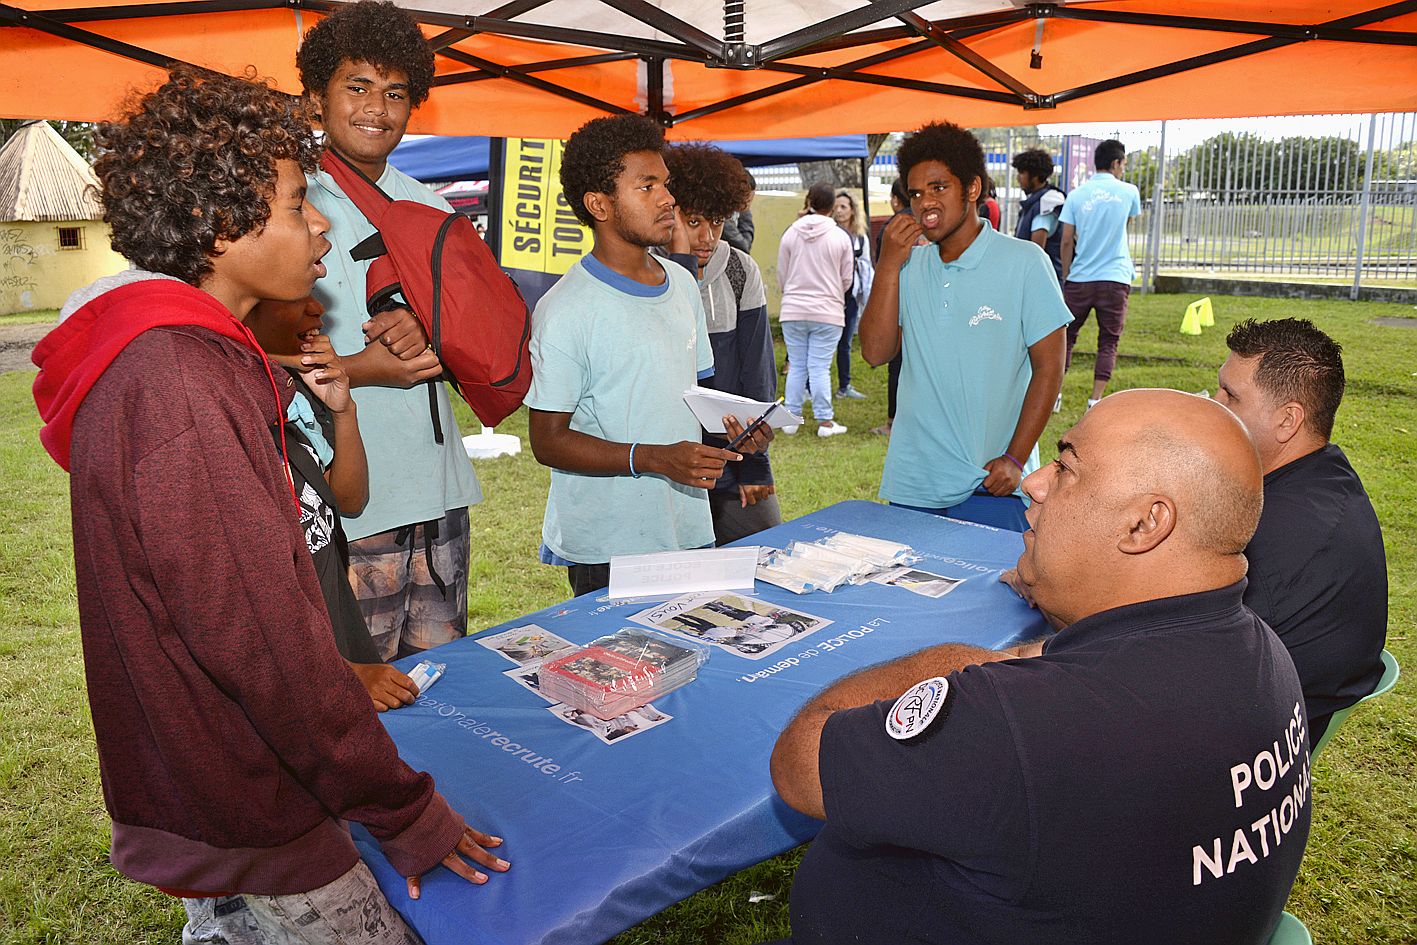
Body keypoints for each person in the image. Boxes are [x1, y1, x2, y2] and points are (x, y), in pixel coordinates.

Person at [31, 67, 506, 945]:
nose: (322, 221)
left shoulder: (184, 358)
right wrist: (401, 810)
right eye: (297, 203)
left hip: (221, 779)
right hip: (258, 797)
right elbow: (261, 644)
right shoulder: (178, 379)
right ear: (219, 227)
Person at [770, 390, 1311, 945]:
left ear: (1145, 523)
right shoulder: (1262, 653)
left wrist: (949, 664)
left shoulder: (1024, 723)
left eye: (1067, 467)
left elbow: (799, 764)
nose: (1035, 482)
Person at [298, 0, 482, 660]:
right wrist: (366, 365)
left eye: (396, 92)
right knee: (359, 692)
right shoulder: (294, 199)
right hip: (352, 495)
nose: (378, 107)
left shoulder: (430, 204)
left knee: (442, 677)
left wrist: (434, 333)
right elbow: (252, 348)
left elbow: (469, 340)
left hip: (438, 487)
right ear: (316, 97)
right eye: (357, 86)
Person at [524, 115, 771, 597]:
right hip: (609, 546)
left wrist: (738, 432)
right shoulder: (565, 310)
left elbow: (688, 400)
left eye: (666, 184)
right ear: (599, 204)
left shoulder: (681, 283)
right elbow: (547, 441)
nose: (668, 199)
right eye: (647, 186)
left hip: (687, 526)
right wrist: (654, 458)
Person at [860, 121, 1070, 532]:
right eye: (916, 193)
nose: (925, 203)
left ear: (972, 189)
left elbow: (1050, 367)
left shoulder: (1024, 262)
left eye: (938, 188)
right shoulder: (907, 266)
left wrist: (1015, 457)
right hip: (915, 484)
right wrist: (887, 264)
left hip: (994, 484)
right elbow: (875, 352)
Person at [1216, 317, 1388, 743]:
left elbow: (1178, 650)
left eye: (1231, 396)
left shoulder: (1275, 540)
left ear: (1288, 420)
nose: (1212, 403)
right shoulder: (1323, 472)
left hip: (1253, 735)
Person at [246, 296, 420, 712]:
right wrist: (341, 671)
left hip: (332, 625)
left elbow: (348, 498)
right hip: (297, 659)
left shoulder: (294, 400)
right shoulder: (237, 413)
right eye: (297, 301)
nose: (318, 311)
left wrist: (343, 411)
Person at [660, 142, 782, 545]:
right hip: (665, 464)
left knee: (762, 558)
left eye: (715, 221)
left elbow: (758, 376)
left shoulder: (739, 270)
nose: (707, 236)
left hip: (734, 460)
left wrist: (755, 468)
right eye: (693, 221)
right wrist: (679, 264)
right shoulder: (647, 269)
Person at [1059, 139, 1142, 410]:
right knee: (1108, 340)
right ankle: (1095, 399)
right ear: (1116, 163)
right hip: (1115, 277)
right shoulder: (1129, 192)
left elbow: (1067, 239)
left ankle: (1055, 394)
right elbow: (1127, 224)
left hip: (1080, 277)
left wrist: (1068, 272)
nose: (1123, 170)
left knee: (1066, 337)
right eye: (1123, 165)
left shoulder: (1076, 194)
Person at [778, 182, 854, 438]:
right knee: (820, 367)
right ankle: (824, 422)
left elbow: (782, 275)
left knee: (798, 365)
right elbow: (847, 280)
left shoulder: (790, 233)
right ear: (832, 207)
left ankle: (790, 419)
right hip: (828, 311)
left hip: (793, 310)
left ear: (808, 201)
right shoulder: (840, 237)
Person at [871, 177, 911, 437]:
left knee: (897, 365)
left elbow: (881, 269)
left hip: (897, 306)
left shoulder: (892, 228)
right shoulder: (934, 227)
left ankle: (893, 420)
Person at [831, 189, 874, 402]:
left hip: (851, 296)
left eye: (844, 207)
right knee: (823, 343)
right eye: (836, 207)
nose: (839, 211)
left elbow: (867, 265)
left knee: (845, 342)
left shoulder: (861, 238)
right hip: (829, 295)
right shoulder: (828, 233)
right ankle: (809, 387)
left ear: (853, 211)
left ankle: (844, 385)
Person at [1011, 147, 1065, 282]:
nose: (1018, 178)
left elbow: (1035, 250)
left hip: (1043, 280)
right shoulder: (1035, 201)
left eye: (1022, 173)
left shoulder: (1047, 202)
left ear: (1035, 176)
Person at [721, 171, 756, 252]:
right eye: (747, 199)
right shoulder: (722, 215)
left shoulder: (738, 212)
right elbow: (743, 246)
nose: (748, 203)